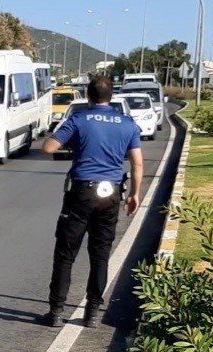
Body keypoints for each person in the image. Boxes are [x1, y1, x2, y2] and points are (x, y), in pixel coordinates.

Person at [40, 76, 143, 328]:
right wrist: (135, 194)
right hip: (111, 194)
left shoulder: (79, 119)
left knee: (65, 254)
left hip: (82, 192)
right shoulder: (127, 124)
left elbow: (48, 148)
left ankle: (55, 312)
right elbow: (138, 163)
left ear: (88, 95)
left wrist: (72, 141)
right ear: (112, 96)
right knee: (100, 255)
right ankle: (93, 313)